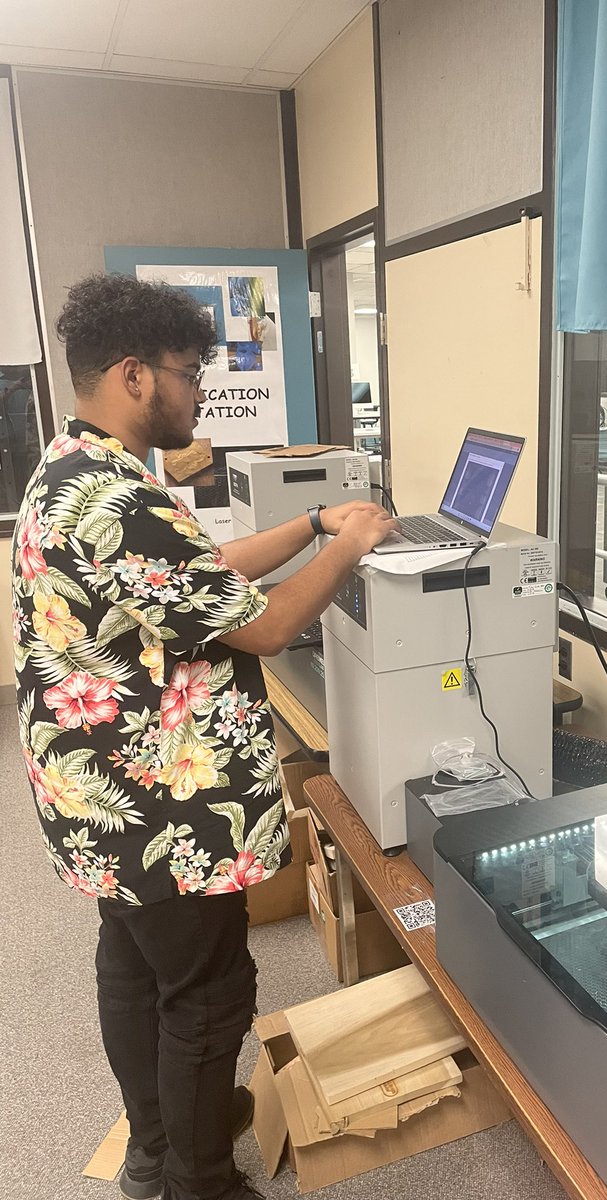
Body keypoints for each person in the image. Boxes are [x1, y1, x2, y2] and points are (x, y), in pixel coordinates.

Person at [11, 273, 398, 1200]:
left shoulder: (79, 467)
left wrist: (311, 521)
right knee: (210, 993)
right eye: (189, 374)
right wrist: (351, 547)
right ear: (136, 375)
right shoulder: (117, 497)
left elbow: (200, 572)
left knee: (136, 970)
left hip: (96, 794)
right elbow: (258, 627)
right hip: (161, 807)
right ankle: (197, 1180)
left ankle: (156, 1143)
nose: (198, 394)